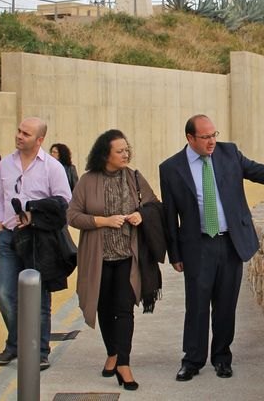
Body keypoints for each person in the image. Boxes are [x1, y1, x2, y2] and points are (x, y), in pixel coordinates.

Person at [159, 114, 264, 381]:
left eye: (214, 135)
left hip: (230, 242)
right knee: (196, 305)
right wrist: (174, 254)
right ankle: (193, 359)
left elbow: (260, 171)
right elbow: (169, 216)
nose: (212, 141)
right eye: (206, 137)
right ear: (190, 138)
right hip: (197, 246)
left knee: (225, 304)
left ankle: (222, 357)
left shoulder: (228, 153)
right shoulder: (171, 168)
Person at [67, 129, 160, 391]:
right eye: (120, 151)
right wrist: (102, 221)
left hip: (128, 258)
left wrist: (141, 215)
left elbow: (154, 205)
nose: (125, 153)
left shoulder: (134, 177)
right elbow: (72, 216)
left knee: (124, 309)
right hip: (98, 259)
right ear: (105, 154)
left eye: (126, 149)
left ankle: (124, 363)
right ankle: (112, 353)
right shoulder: (87, 180)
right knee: (104, 309)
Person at [0, 117, 72, 371]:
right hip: (8, 236)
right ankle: (16, 344)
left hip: (39, 239)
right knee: (4, 293)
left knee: (40, 298)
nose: (19, 136)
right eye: (18, 131)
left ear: (39, 140)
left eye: (26, 133)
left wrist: (34, 215)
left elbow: (63, 202)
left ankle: (40, 350)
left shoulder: (52, 167)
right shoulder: (5, 163)